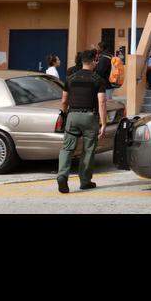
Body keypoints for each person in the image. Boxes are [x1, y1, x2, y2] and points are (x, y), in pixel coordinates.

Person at [56, 49, 108, 193]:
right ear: (93, 62)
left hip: (72, 116)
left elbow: (64, 100)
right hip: (89, 117)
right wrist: (103, 124)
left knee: (67, 148)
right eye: (96, 60)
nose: (97, 62)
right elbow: (102, 102)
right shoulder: (98, 79)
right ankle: (85, 181)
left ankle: (62, 175)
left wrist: (65, 114)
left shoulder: (70, 78)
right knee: (88, 150)